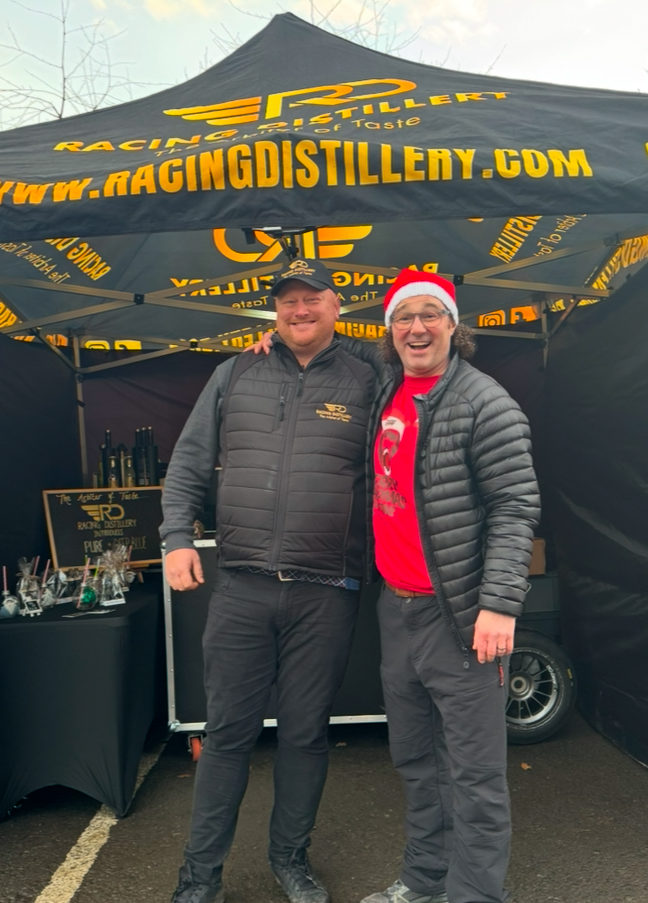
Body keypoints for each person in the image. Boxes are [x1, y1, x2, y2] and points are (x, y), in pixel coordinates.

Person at [160, 256, 377, 903]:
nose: (299, 310)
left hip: (327, 589)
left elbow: (421, 365)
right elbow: (188, 460)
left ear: (336, 305)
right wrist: (176, 538)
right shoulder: (235, 372)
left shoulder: (369, 376)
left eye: (312, 298)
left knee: (305, 734)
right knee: (228, 735)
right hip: (243, 584)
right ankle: (200, 878)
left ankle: (290, 859)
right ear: (274, 311)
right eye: (287, 301)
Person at [359, 269, 541, 903]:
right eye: (403, 317)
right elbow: (326, 348)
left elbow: (516, 506)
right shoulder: (389, 389)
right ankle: (425, 879)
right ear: (389, 332)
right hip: (397, 608)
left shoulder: (485, 402)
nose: (416, 328)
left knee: (475, 774)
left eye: (429, 315)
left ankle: (476, 895)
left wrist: (499, 604)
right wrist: (276, 340)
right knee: (417, 759)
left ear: (453, 326)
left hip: (459, 614)